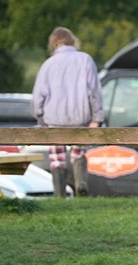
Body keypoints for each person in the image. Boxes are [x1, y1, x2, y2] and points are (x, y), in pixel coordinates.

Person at [31, 27, 104, 197]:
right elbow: (94, 92)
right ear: (73, 41)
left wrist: (41, 118)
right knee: (78, 152)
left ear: (54, 44)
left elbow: (38, 97)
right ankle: (81, 184)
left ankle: (59, 194)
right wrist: (96, 118)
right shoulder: (86, 60)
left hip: (54, 120)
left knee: (57, 158)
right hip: (80, 118)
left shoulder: (48, 64)